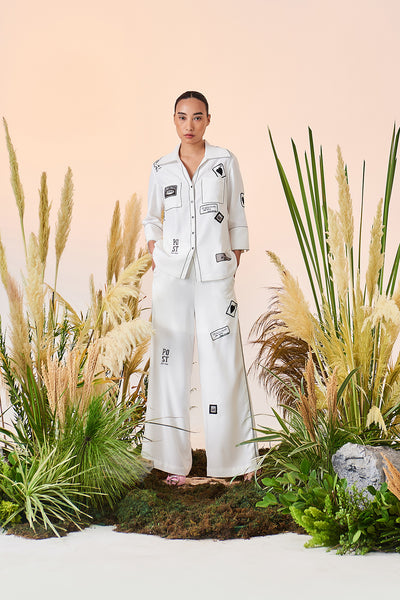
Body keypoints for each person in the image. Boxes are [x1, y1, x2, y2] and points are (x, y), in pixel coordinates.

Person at [142, 90, 258, 485]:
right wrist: (156, 251)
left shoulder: (224, 162)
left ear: (208, 119)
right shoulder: (161, 168)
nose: (189, 125)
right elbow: (151, 218)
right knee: (168, 362)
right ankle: (168, 460)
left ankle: (234, 462)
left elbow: (237, 214)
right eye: (182, 117)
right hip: (172, 275)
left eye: (196, 117)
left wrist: (234, 258)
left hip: (215, 272)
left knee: (223, 360)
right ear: (173, 120)